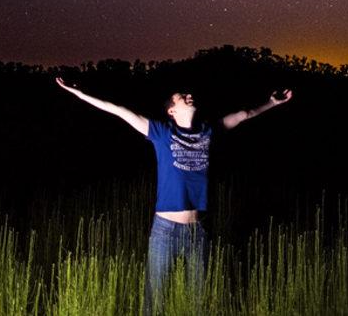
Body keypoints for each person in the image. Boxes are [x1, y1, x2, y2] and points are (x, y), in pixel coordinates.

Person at [55, 76, 293, 312]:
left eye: (188, 95)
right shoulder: (161, 132)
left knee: (198, 302)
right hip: (165, 232)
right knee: (155, 300)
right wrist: (80, 93)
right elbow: (119, 110)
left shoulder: (207, 131)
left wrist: (272, 103)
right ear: (171, 111)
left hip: (197, 233)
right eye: (181, 96)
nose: (189, 96)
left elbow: (244, 114)